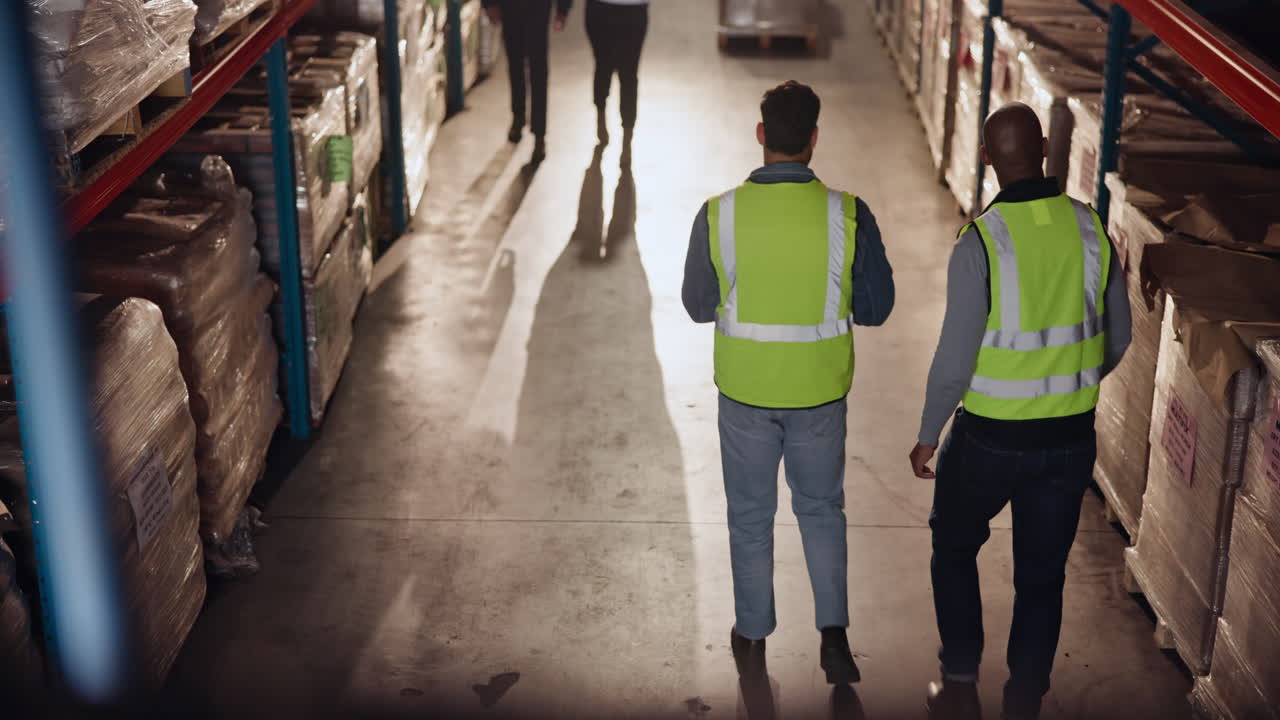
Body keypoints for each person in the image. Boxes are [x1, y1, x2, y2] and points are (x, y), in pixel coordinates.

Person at [909, 103, 1132, 720]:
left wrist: (928, 434)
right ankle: (1024, 701)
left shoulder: (981, 241)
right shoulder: (1090, 229)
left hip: (987, 440)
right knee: (1042, 575)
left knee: (955, 545)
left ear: (987, 159)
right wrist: (1069, 382)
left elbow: (955, 359)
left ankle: (959, 685)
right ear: (1045, 153)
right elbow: (1118, 336)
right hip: (1068, 441)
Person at [682, 81, 895, 686]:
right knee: (822, 509)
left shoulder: (719, 213)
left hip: (746, 392)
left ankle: (752, 637)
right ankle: (834, 637)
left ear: (761, 135)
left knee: (750, 516)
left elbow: (697, 305)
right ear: (813, 139)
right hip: (819, 393)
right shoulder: (847, 213)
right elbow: (876, 308)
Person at [483, 0, 571, 159]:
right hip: (510, 7)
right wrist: (489, 3)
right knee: (515, 64)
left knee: (538, 69)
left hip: (538, 7)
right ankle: (518, 116)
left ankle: (539, 134)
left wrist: (563, 9)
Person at [584, 0, 649, 148]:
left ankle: (627, 136)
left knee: (627, 73)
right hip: (602, 8)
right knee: (605, 67)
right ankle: (602, 116)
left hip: (632, 8)